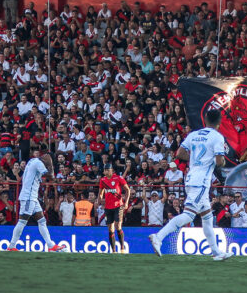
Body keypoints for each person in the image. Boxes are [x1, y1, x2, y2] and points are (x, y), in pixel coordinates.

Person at [148, 109, 234, 261]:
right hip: (201, 182)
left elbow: (180, 153)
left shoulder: (194, 135)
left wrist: (195, 159)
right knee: (188, 215)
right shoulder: (217, 137)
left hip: (191, 178)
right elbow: (220, 162)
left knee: (207, 217)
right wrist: (220, 162)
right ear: (219, 123)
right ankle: (158, 237)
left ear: (205, 120)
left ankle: (216, 252)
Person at [6, 153, 67, 252]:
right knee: (22, 221)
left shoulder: (32, 161)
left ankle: (50, 245)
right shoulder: (38, 163)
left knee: (42, 221)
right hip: (28, 197)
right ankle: (11, 246)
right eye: (48, 159)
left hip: (32, 197)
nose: (48, 161)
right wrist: (51, 166)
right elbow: (50, 176)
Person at [99, 163, 131, 253]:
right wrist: (99, 200)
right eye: (104, 170)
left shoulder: (118, 178)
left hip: (118, 205)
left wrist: (126, 202)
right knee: (110, 228)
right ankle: (113, 250)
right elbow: (100, 192)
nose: (105, 171)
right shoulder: (103, 180)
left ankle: (122, 248)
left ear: (111, 170)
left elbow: (127, 189)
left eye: (107, 170)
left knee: (118, 225)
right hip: (108, 207)